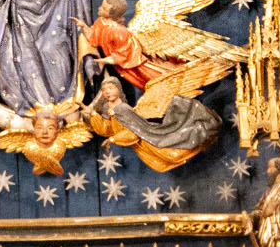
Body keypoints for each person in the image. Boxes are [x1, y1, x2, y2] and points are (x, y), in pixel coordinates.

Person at [87, 73, 222, 173]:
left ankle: (201, 133)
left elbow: (133, 134)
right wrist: (93, 114)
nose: (107, 92)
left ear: (118, 89)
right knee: (162, 163)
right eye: (104, 90)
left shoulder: (123, 108)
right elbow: (106, 130)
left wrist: (113, 139)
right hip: (142, 145)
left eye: (110, 88)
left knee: (173, 153)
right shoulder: (107, 109)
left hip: (149, 138)